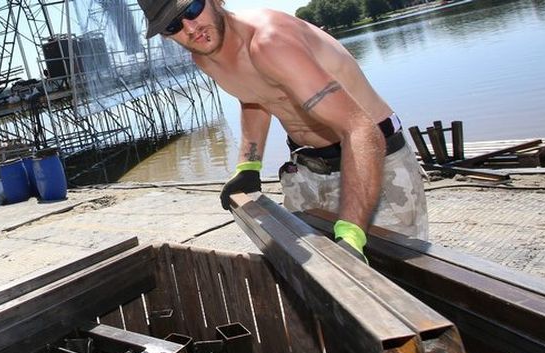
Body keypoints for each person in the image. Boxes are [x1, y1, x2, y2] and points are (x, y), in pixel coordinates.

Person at [138, 0, 428, 263]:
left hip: (373, 160)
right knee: (313, 283)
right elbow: (252, 97)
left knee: (401, 284)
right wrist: (248, 165)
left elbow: (360, 129)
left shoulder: (270, 42)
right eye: (174, 25)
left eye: (192, 9)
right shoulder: (204, 56)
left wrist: (352, 234)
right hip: (309, 170)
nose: (190, 28)